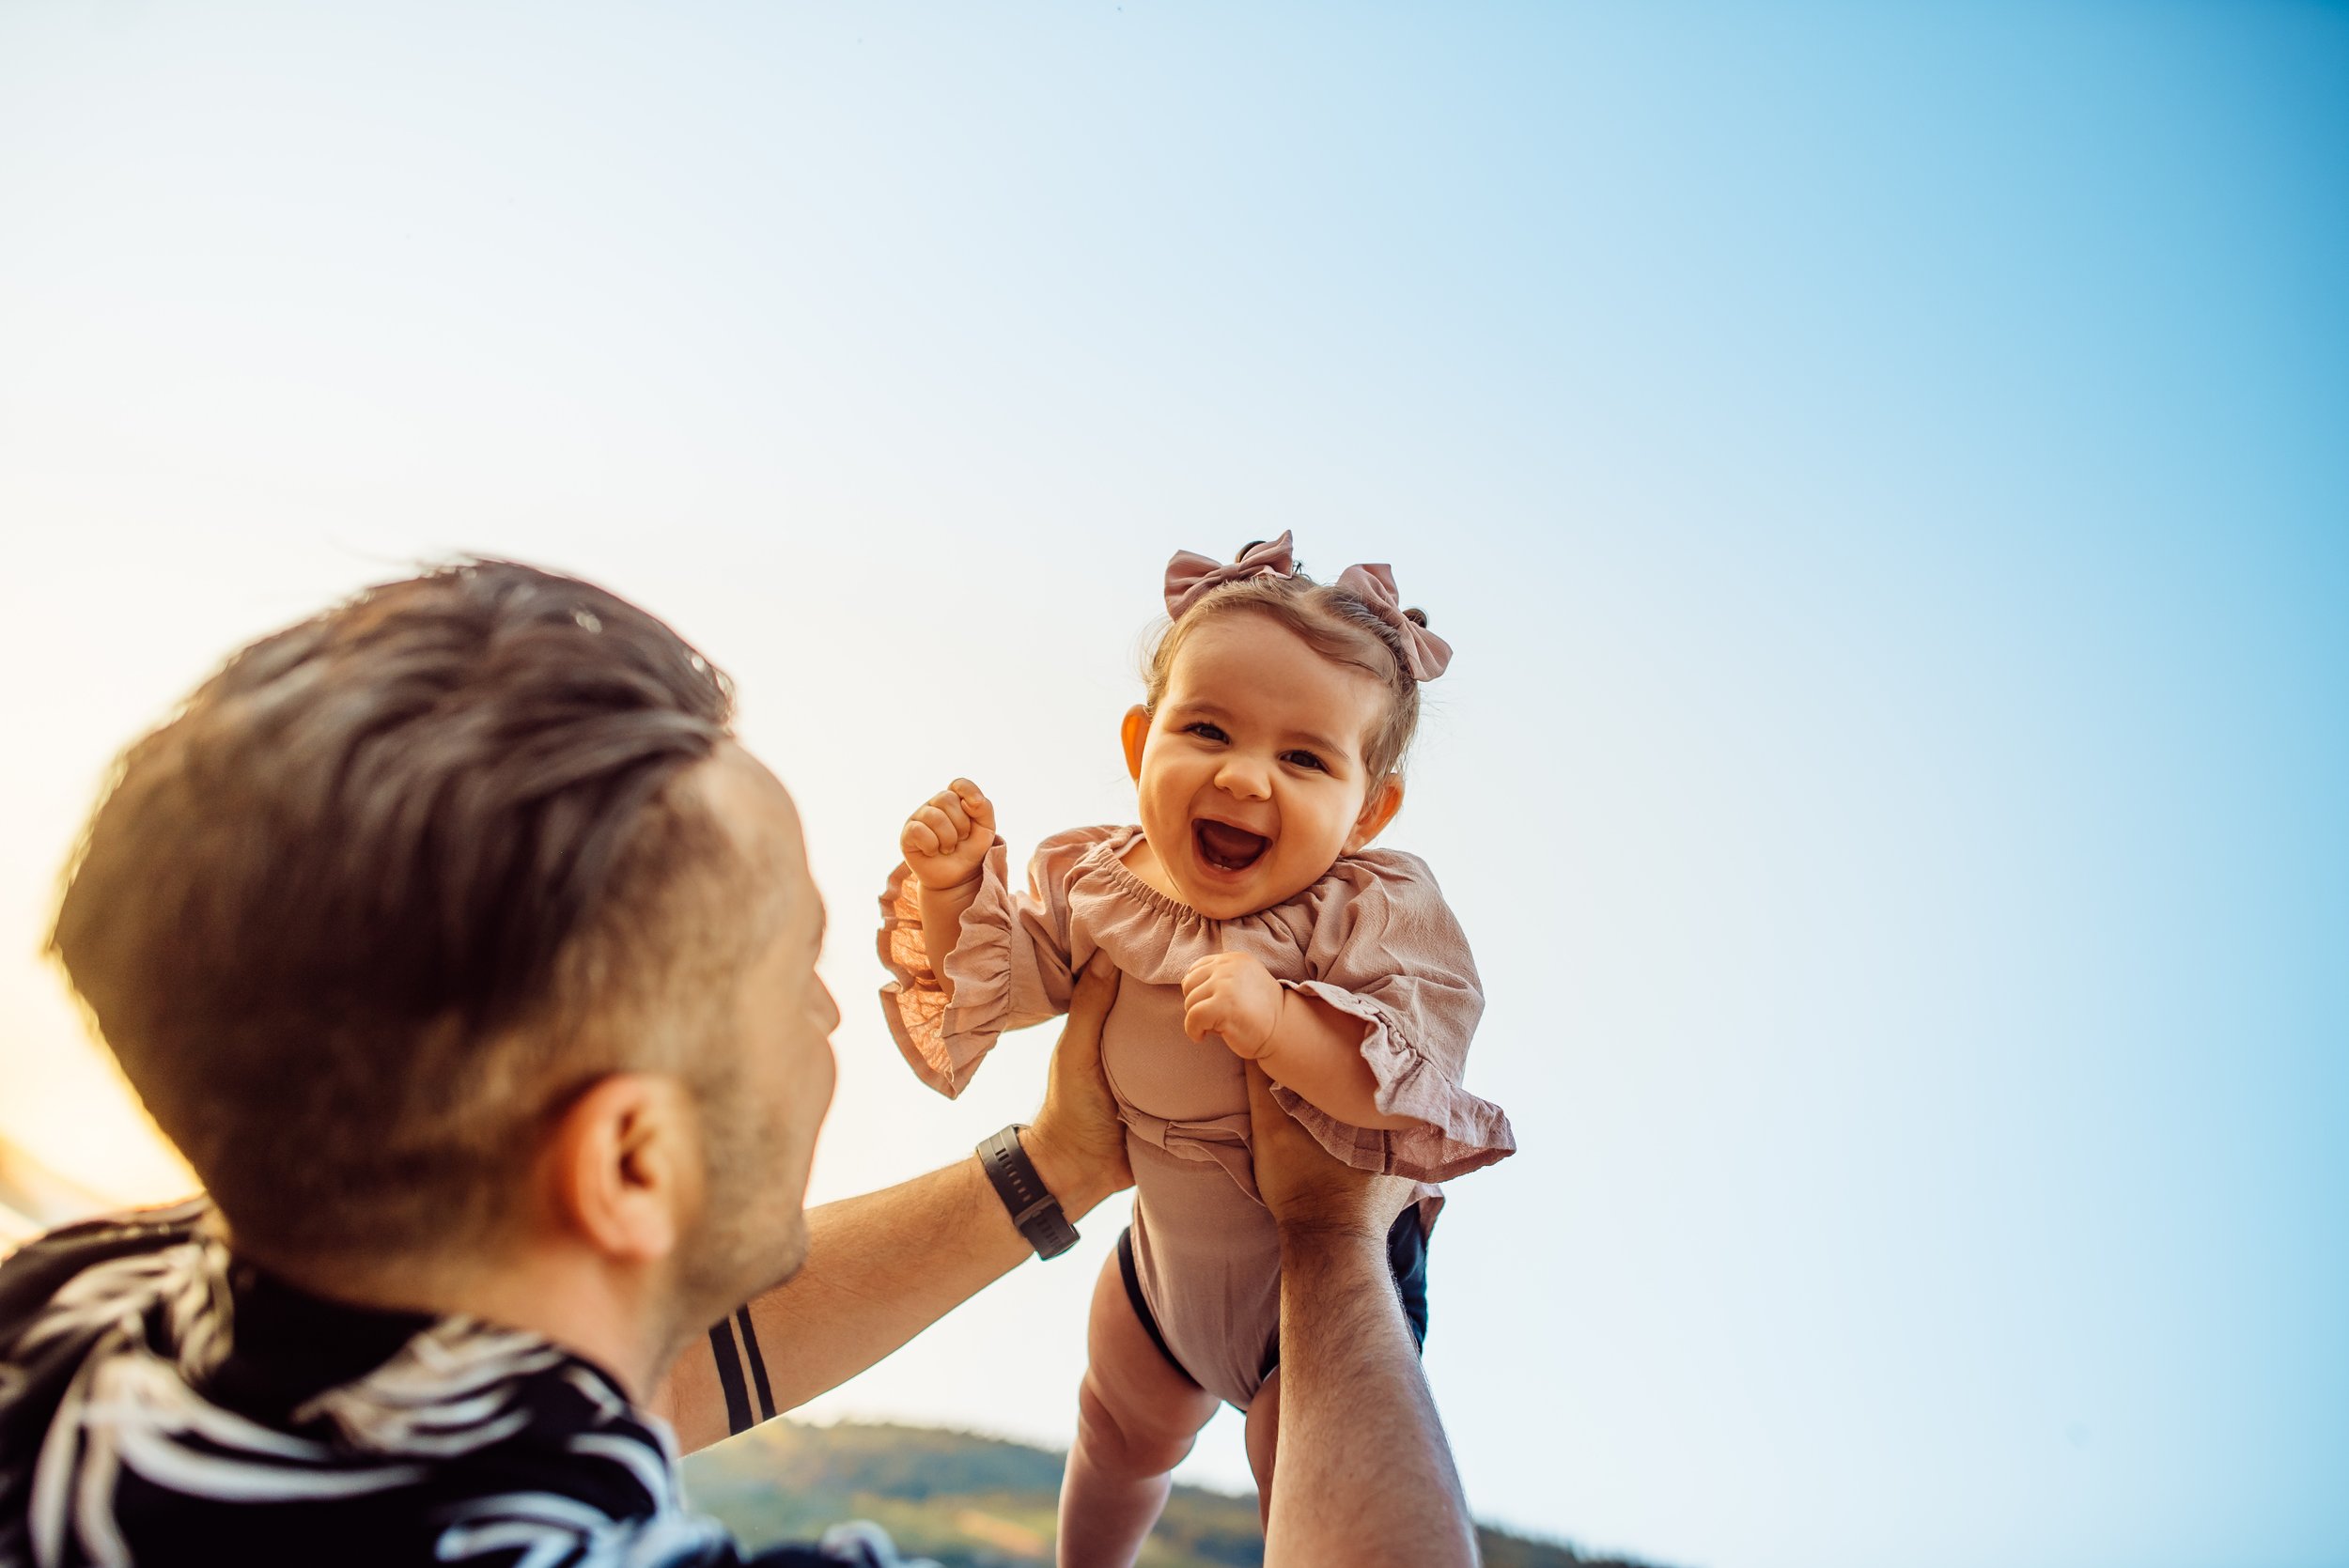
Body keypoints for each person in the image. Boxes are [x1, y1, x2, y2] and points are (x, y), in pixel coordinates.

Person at [0, 560, 1479, 1568]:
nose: (841, 1017)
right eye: (796, 975)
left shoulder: (76, 1306)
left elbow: (610, 1361)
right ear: (633, 1158)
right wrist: (1333, 1242)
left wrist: (1061, 1163)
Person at [879, 533, 1516, 1564]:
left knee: (1301, 1475)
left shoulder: (1364, 912)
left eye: (1303, 757)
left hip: (1308, 1299)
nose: (1244, 775)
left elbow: (1401, 1079)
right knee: (1115, 1436)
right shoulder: (1103, 878)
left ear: (1370, 809)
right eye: (1207, 728)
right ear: (1140, 745)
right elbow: (1013, 985)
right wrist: (957, 894)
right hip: (1158, 1275)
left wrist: (1281, 1024)